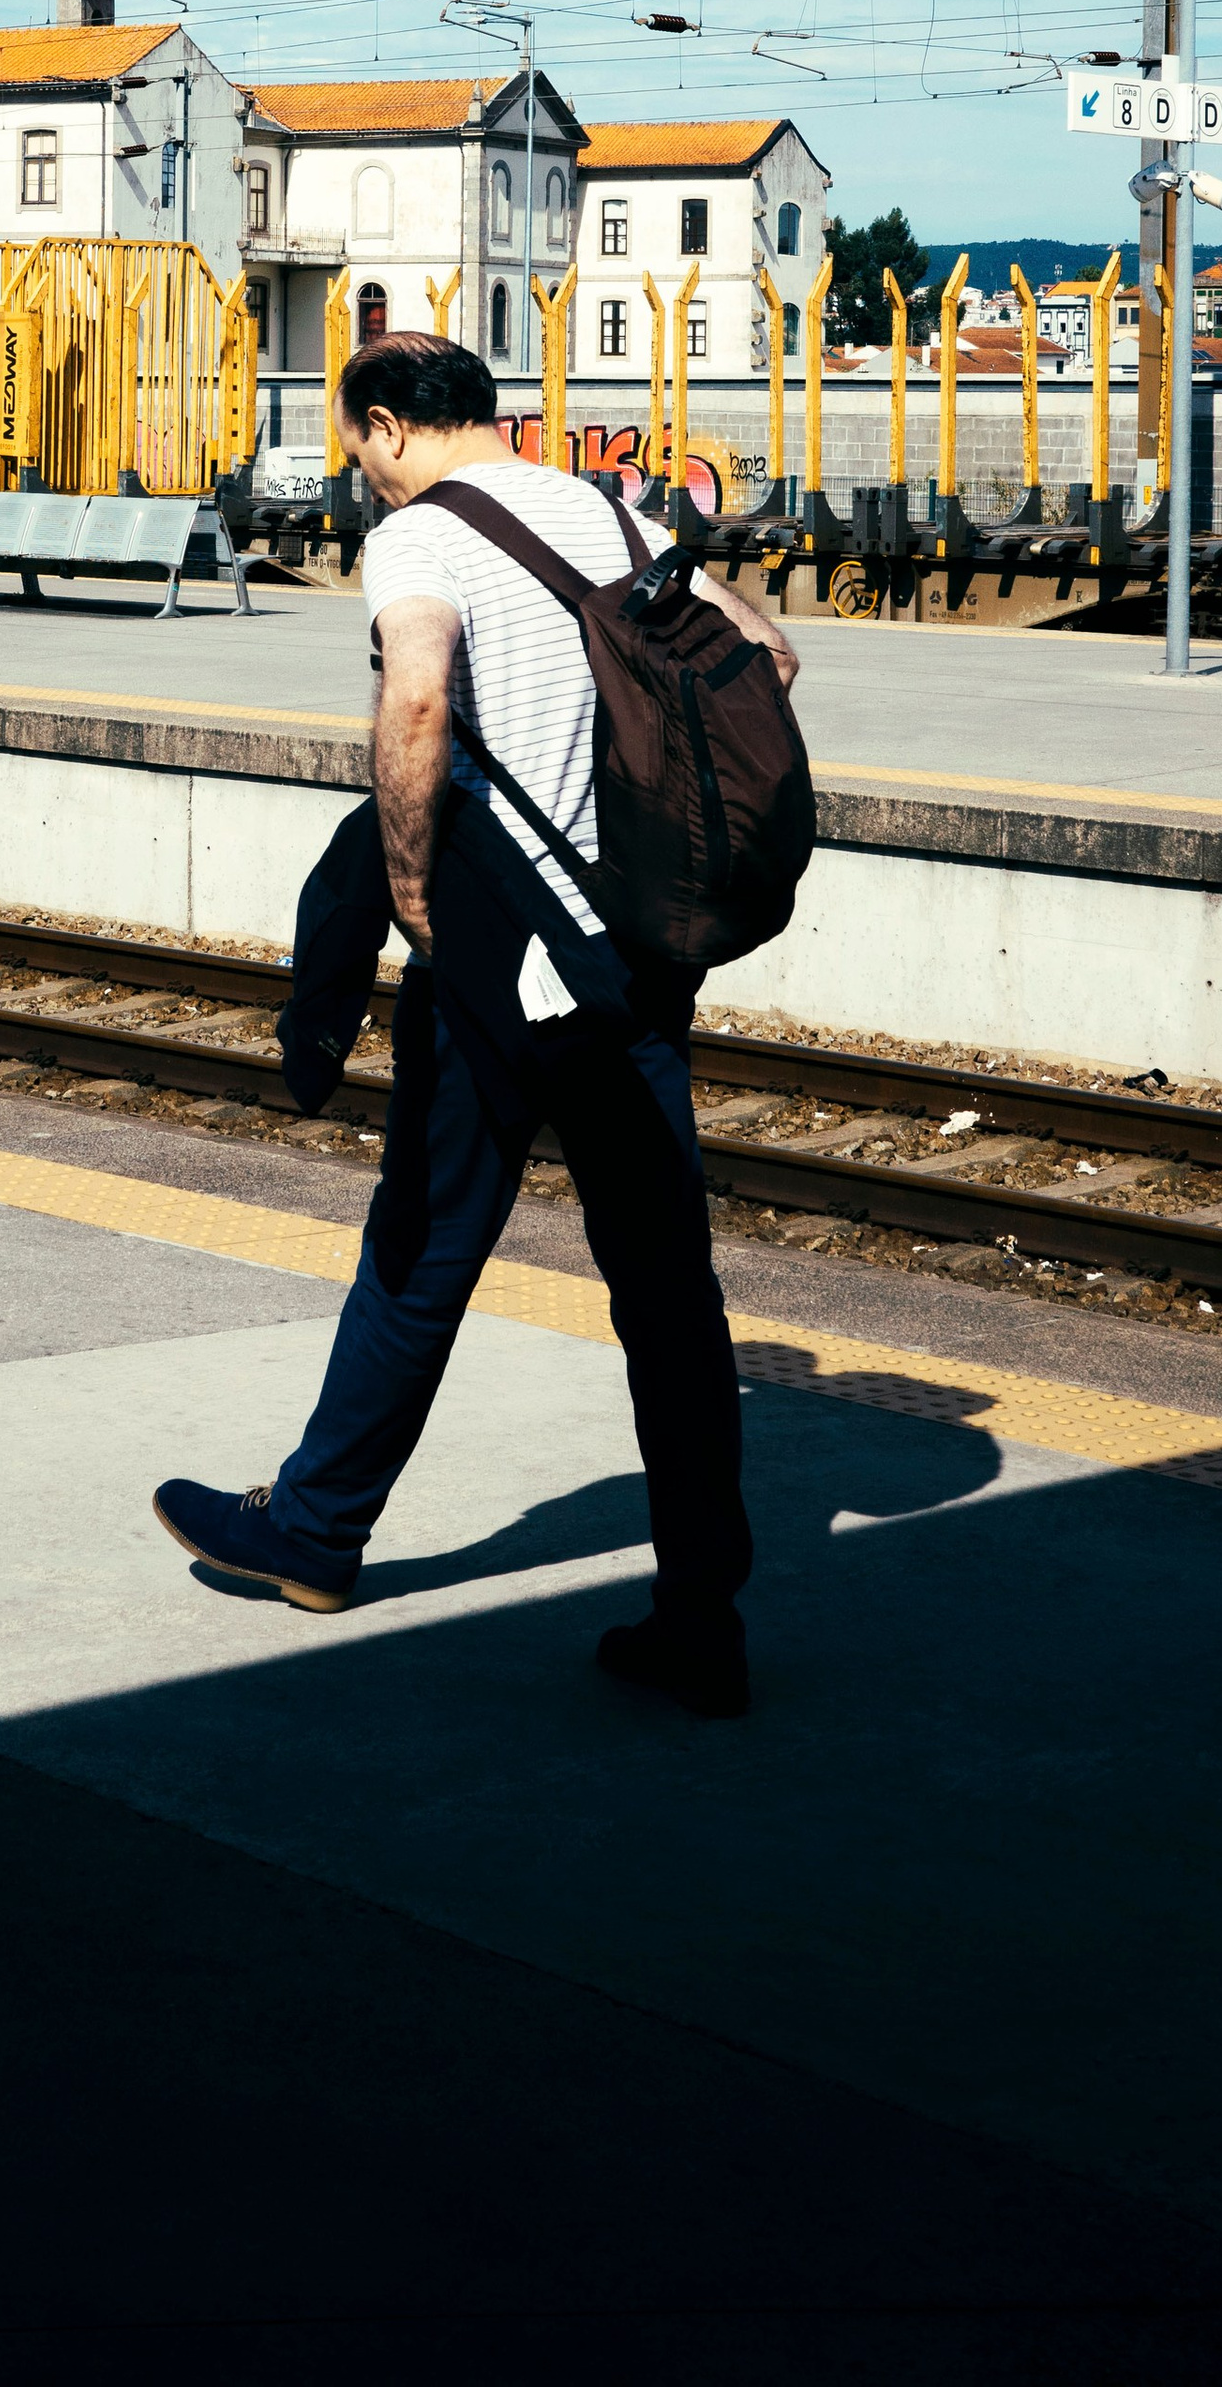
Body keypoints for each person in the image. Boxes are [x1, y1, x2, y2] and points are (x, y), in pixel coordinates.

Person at [153, 332, 800, 1717]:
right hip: (633, 952)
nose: (359, 474)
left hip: (504, 954)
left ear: (388, 429)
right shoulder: (614, 510)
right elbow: (769, 657)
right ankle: (701, 1621)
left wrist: (404, 877)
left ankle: (316, 1534)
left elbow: (423, 694)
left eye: (356, 448)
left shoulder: (416, 544)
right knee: (668, 1296)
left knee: (424, 1243)